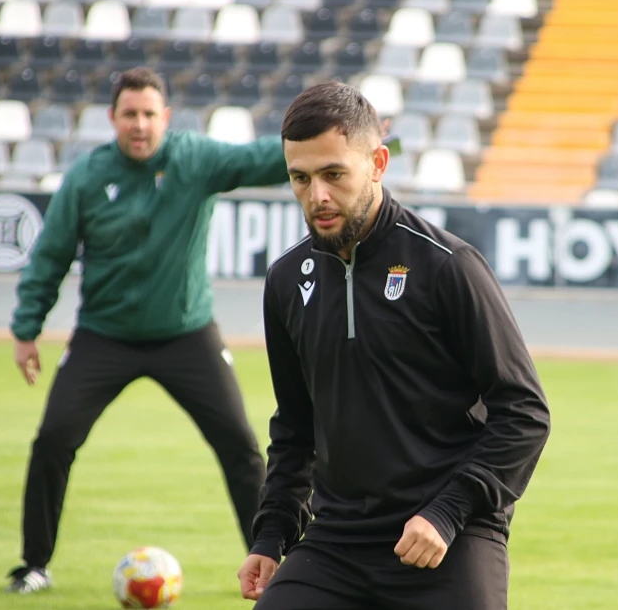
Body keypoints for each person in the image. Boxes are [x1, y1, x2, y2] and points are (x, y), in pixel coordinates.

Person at [235, 82, 551, 610]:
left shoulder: (448, 266)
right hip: (336, 540)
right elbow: (295, 428)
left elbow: (524, 412)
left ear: (377, 163)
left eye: (334, 174)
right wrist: (271, 536)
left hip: (448, 534)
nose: (317, 196)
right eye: (301, 178)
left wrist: (448, 511)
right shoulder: (287, 280)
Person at [5, 67, 290, 594]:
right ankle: (34, 566)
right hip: (103, 336)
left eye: (149, 114)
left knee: (242, 446)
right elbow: (50, 257)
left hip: (187, 334)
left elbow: (265, 158)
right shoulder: (87, 177)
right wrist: (27, 329)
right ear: (112, 118)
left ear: (166, 117)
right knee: (52, 440)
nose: (139, 125)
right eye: (129, 114)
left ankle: (277, 566)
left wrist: (344, 142)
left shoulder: (195, 159)